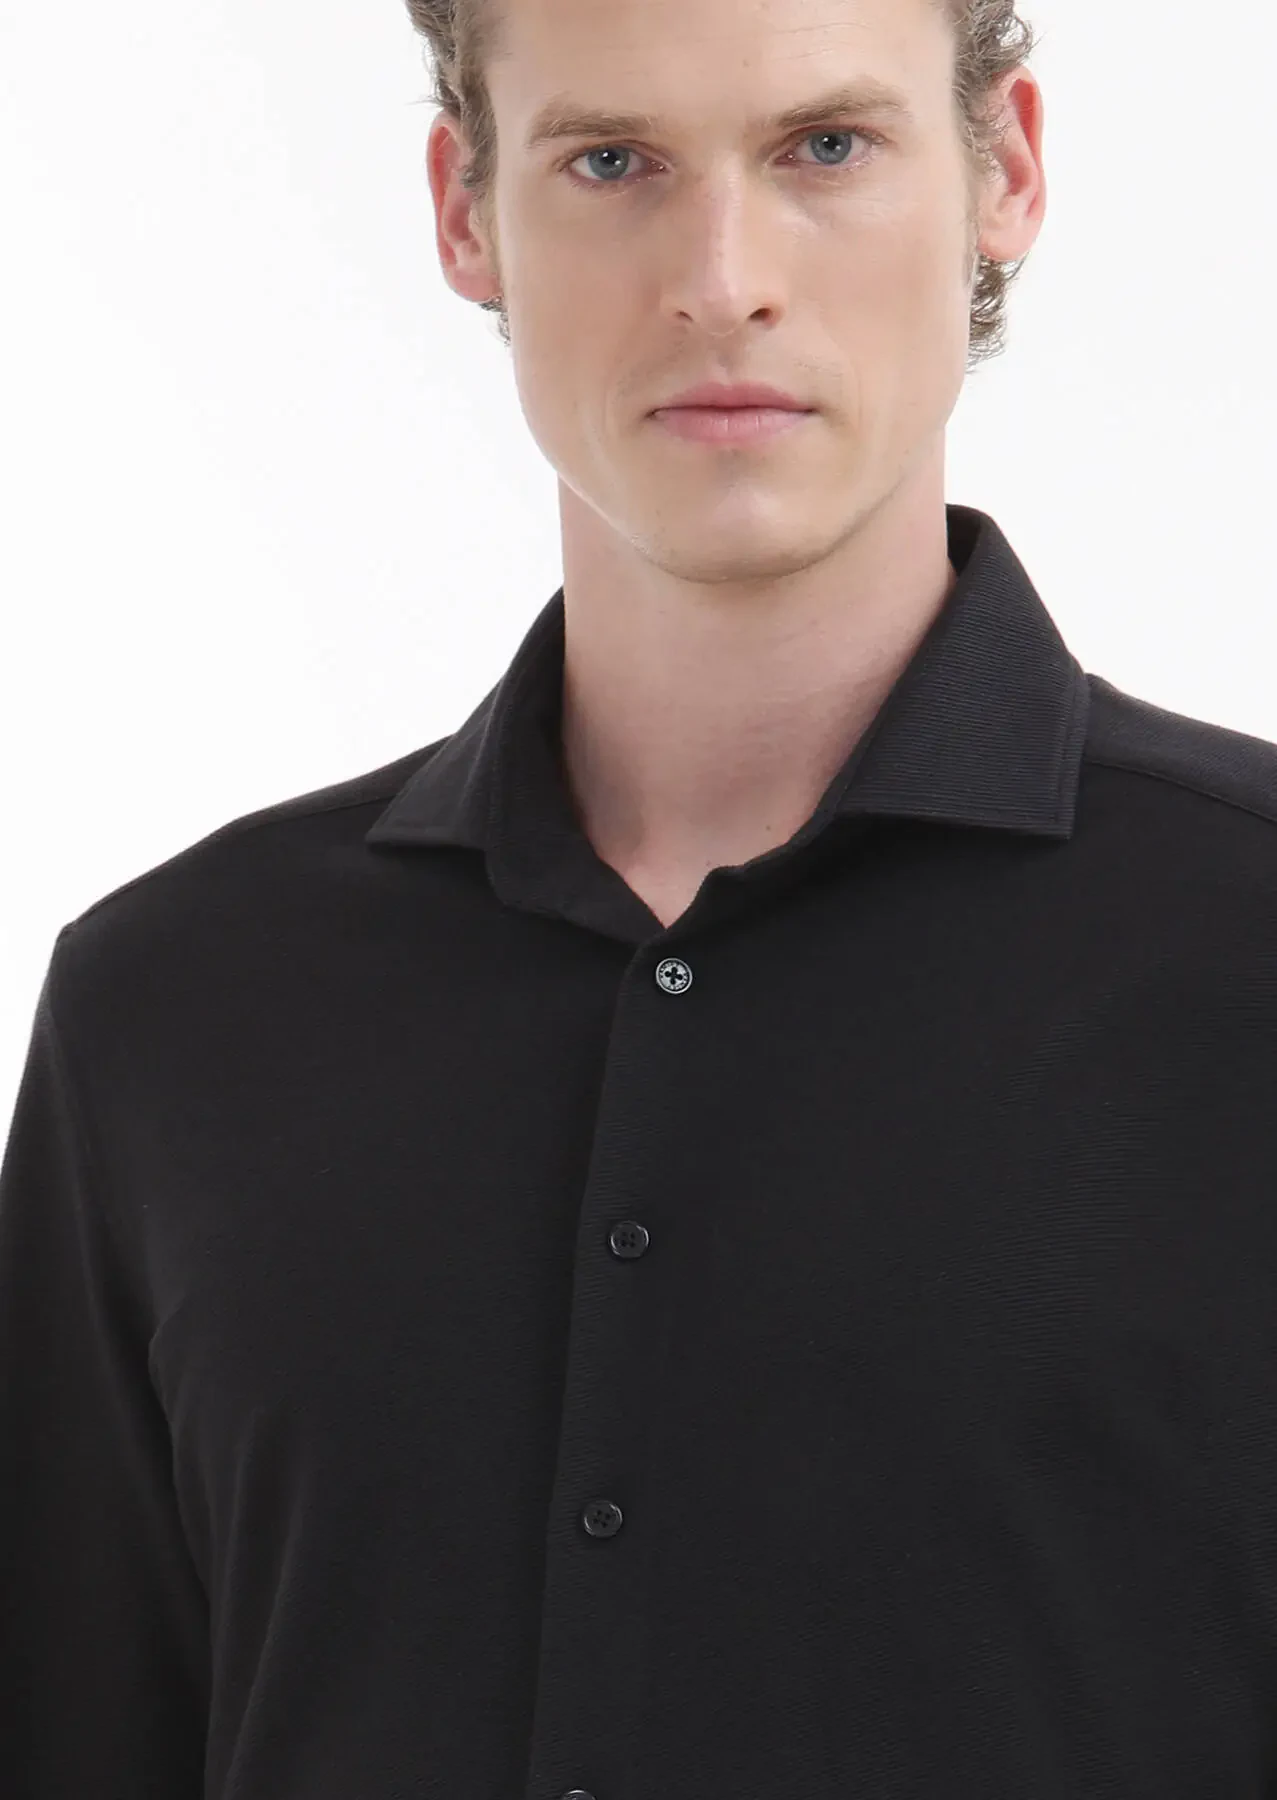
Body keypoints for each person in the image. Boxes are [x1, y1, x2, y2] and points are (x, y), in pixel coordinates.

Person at [4, 0, 1277, 1795]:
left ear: (1005, 170)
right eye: (613, 161)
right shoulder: (167, 1012)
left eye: (825, 147)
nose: (722, 280)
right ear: (466, 212)